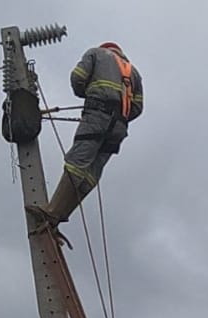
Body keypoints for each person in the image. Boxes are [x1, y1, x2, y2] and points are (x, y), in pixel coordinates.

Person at [33, 41, 143, 227]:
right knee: (92, 173)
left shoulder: (96, 53)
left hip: (97, 116)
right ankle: (59, 216)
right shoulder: (134, 73)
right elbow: (138, 107)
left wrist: (89, 94)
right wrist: (119, 114)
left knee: (77, 162)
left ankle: (51, 212)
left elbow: (78, 77)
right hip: (119, 128)